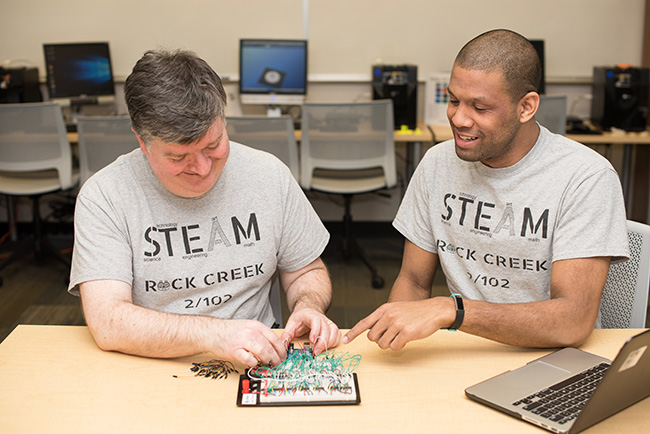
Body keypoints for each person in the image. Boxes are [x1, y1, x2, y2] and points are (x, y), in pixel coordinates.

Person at [343, 29, 629, 351]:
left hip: (554, 356)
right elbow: (412, 281)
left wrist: (452, 310)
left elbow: (572, 321)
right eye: (453, 100)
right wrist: (396, 346)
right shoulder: (437, 163)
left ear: (526, 107)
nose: (459, 118)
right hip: (465, 350)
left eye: (480, 108)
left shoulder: (585, 177)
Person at [68, 49, 340, 367]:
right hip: (152, 363)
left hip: (256, 361)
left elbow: (306, 271)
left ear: (223, 120)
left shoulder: (268, 175)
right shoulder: (105, 196)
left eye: (213, 145)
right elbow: (108, 322)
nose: (202, 168)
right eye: (178, 156)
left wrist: (308, 306)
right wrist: (214, 335)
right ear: (141, 141)